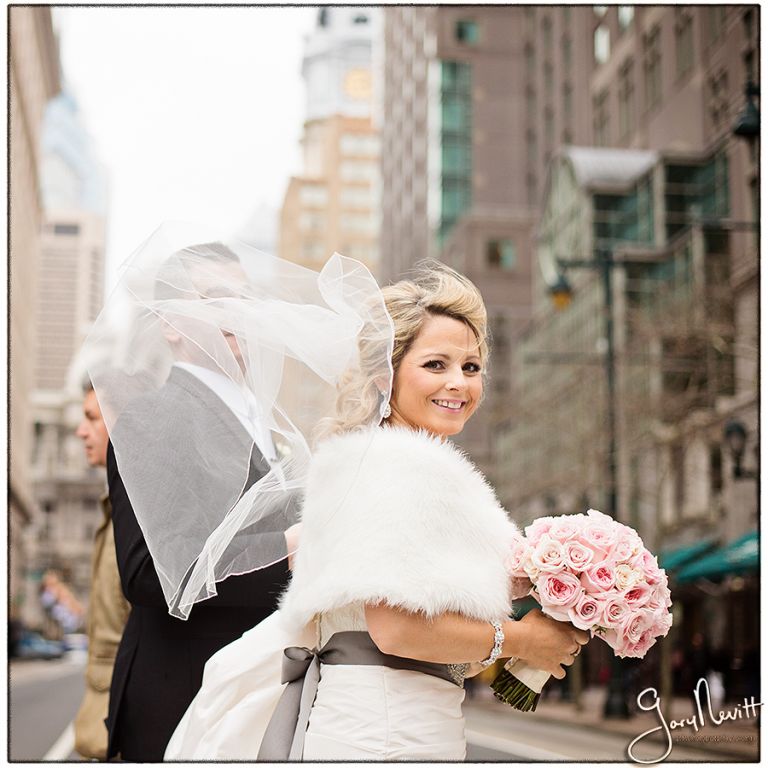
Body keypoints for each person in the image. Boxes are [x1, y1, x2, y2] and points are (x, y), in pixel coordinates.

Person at [167, 260, 588, 760]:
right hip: (384, 733)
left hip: (402, 721)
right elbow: (395, 629)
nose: (459, 383)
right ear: (383, 375)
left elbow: (428, 641)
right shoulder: (394, 465)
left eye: (471, 367)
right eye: (436, 365)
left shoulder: (377, 460)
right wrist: (520, 639)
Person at [99, 241, 296, 761]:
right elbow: (149, 572)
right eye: (215, 299)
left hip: (252, 699)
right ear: (170, 323)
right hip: (182, 701)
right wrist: (288, 551)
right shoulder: (153, 417)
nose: (237, 311)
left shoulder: (265, 424)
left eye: (245, 299)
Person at [72, 381, 131, 760]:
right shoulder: (113, 508)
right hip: (104, 722)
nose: (81, 431)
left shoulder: (134, 516)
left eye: (92, 418)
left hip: (122, 722)